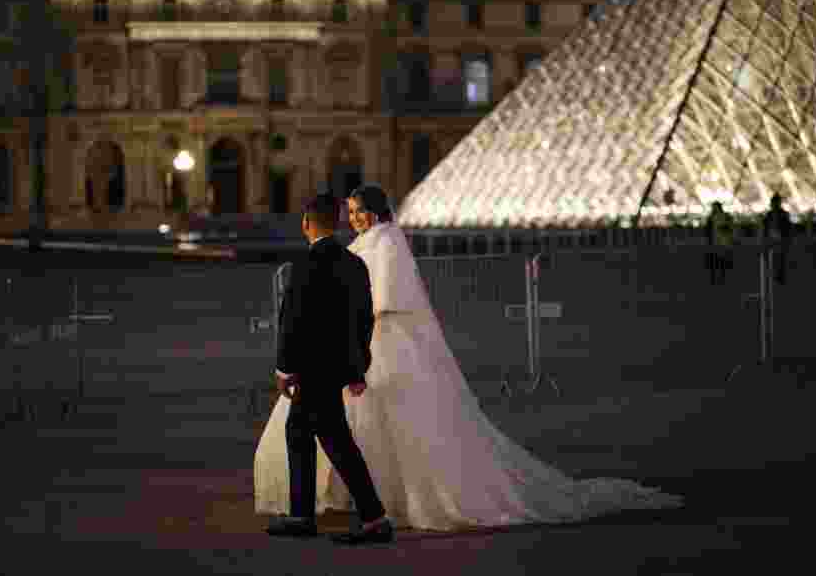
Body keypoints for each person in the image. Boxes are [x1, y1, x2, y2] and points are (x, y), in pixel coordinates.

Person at [254, 184, 683, 531]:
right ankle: (364, 510)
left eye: (357, 211)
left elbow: (374, 303)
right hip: (356, 353)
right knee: (346, 433)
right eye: (348, 212)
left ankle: (345, 511)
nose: (353, 218)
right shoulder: (361, 250)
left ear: (373, 212)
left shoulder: (378, 244)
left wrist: (332, 350)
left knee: (343, 432)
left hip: (362, 349)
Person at [262, 193, 393, 544]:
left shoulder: (306, 264)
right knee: (303, 433)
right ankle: (304, 515)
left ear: (307, 223)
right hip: (337, 367)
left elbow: (293, 320)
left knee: (333, 441)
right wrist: (355, 367)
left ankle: (373, 518)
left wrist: (283, 367)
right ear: (335, 223)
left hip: (312, 369)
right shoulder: (354, 264)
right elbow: (363, 321)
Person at [762, 193, 792, 285]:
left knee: (780, 259)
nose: (772, 204)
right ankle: (775, 275)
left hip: (780, 239)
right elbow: (765, 226)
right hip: (772, 239)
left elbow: (788, 227)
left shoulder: (783, 214)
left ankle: (779, 276)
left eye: (774, 202)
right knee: (774, 258)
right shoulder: (770, 214)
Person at [704, 201, 735, 286]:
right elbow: (708, 231)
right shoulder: (711, 218)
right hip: (716, 244)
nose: (713, 209)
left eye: (715, 207)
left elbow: (730, 228)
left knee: (721, 264)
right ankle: (715, 279)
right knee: (715, 264)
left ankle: (720, 279)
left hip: (723, 244)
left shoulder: (726, 217)